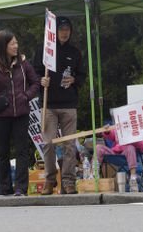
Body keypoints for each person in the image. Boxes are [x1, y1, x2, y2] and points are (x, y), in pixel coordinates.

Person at [0, 30, 40, 196]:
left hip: (22, 114)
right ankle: (4, 188)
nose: (16, 46)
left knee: (22, 151)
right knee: (3, 152)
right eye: (12, 44)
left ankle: (20, 188)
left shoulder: (23, 63)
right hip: (2, 115)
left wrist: (26, 96)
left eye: (16, 43)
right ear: (3, 46)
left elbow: (36, 83)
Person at [33, 16, 87, 195]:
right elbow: (34, 73)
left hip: (69, 105)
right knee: (48, 143)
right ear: (54, 32)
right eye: (61, 29)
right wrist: (41, 80)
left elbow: (82, 76)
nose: (64, 32)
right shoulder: (44, 50)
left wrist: (75, 80)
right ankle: (50, 180)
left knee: (70, 145)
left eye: (67, 29)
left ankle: (69, 181)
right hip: (48, 104)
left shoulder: (75, 52)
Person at [95, 125, 143, 192]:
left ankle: (133, 179)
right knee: (98, 148)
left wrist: (132, 139)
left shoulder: (138, 127)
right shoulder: (119, 123)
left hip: (128, 154)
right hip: (115, 152)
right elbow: (112, 135)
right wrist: (107, 132)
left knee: (130, 148)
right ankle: (94, 175)